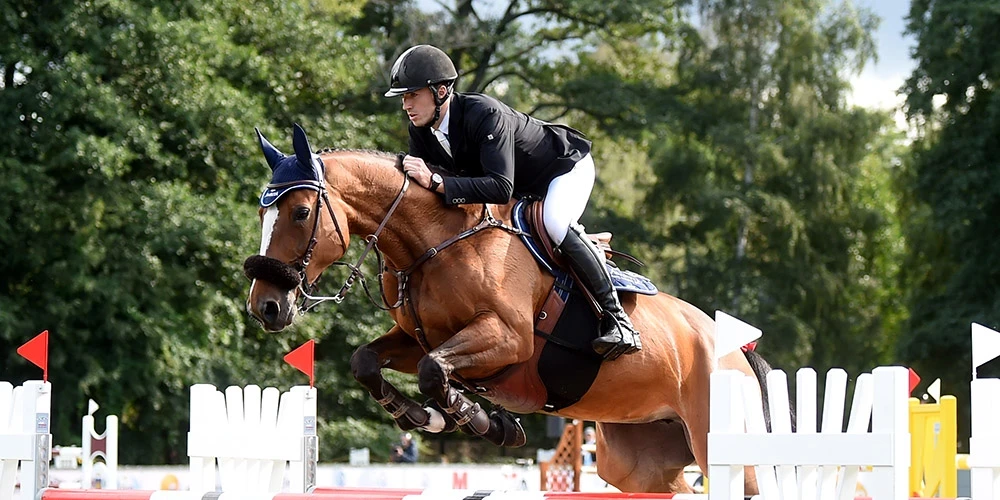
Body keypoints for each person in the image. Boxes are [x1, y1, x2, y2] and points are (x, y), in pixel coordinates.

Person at [383, 44, 641, 360]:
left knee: (554, 223)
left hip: (562, 169)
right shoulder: (421, 131)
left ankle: (617, 318)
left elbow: (500, 187)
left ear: (440, 92)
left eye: (412, 95)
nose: (406, 105)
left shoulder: (484, 114)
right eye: (404, 98)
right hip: (523, 187)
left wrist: (436, 182)